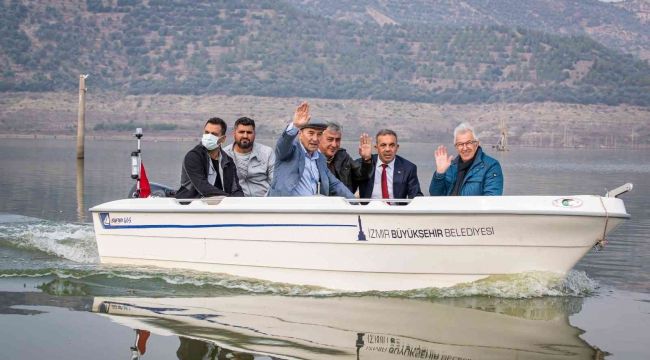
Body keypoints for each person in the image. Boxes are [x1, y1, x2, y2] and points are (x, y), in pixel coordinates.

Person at [269, 102, 355, 198]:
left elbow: (335, 184)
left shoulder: (320, 158)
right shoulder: (290, 150)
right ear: (300, 133)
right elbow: (282, 146)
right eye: (311, 133)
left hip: (311, 209)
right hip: (286, 208)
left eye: (319, 134)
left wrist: (355, 203)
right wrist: (295, 126)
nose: (315, 138)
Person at [175, 117, 244, 198]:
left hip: (219, 205)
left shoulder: (228, 161)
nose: (209, 136)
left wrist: (239, 201)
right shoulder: (193, 157)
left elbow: (236, 189)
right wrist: (228, 198)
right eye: (207, 132)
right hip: (191, 205)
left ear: (222, 139)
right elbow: (203, 187)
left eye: (214, 134)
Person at [429, 122, 503, 196]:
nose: (465, 148)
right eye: (460, 144)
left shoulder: (491, 166)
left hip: (471, 207)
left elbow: (491, 200)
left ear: (476, 144)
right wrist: (440, 173)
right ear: (456, 147)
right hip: (449, 207)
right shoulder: (450, 167)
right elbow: (435, 196)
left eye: (468, 143)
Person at [358, 129, 423, 200]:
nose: (388, 149)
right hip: (368, 209)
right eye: (383, 145)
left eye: (392, 145)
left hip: (396, 209)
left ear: (397, 147)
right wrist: (366, 160)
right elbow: (347, 189)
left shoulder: (408, 168)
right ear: (376, 148)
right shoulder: (362, 163)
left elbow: (416, 196)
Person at [223, 117, 275, 197]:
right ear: (234, 133)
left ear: (254, 134)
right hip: (236, 204)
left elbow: (274, 182)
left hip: (264, 202)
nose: (245, 136)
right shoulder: (224, 154)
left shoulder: (267, 152)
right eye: (241, 132)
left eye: (249, 132)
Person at [319, 121, 373, 193]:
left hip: (344, 201)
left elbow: (361, 176)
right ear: (319, 138)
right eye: (330, 139)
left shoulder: (342, 156)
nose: (334, 145)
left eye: (337, 140)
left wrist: (366, 160)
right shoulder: (312, 158)